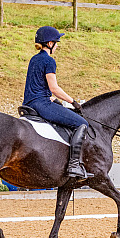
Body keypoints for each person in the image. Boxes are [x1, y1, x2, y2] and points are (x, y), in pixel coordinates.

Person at [23, 26, 93, 180]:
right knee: (82, 123)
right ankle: (74, 165)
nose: (57, 45)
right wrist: (73, 102)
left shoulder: (34, 59)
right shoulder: (49, 61)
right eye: (56, 42)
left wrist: (54, 99)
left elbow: (38, 85)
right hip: (41, 104)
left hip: (29, 103)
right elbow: (54, 87)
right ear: (49, 43)